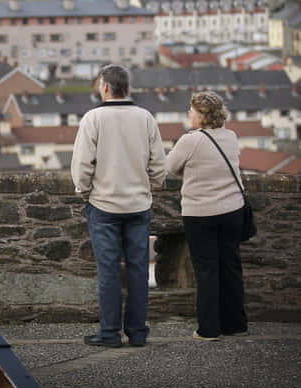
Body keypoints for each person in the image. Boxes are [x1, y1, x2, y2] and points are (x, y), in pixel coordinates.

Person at [71, 64, 166, 348]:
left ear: (105, 87)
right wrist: (152, 186)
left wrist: (85, 191)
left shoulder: (94, 118)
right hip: (138, 204)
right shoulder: (145, 118)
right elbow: (159, 165)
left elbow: (82, 165)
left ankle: (110, 332)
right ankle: (137, 332)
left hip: (104, 205)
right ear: (128, 87)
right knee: (138, 270)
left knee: (109, 271)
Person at [165, 91, 248, 341]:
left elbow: (169, 167)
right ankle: (235, 324)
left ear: (201, 116)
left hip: (201, 214)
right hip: (233, 210)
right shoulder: (231, 137)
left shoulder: (191, 141)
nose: (189, 115)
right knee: (231, 266)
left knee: (207, 270)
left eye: (191, 111)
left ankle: (209, 329)